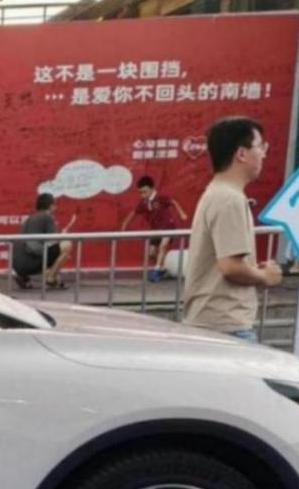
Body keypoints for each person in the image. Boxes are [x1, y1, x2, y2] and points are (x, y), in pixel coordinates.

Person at [182, 116, 283, 343]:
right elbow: (230, 266)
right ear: (241, 154)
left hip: (214, 322)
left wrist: (251, 270)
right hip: (226, 325)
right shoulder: (230, 199)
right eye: (260, 146)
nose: (264, 154)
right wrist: (265, 276)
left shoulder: (219, 193)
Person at [121, 175, 188, 283]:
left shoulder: (160, 197)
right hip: (156, 229)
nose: (143, 195)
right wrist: (125, 224)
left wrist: (182, 213)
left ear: (152, 189)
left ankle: (157, 269)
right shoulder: (144, 203)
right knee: (151, 253)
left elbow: (173, 202)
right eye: (141, 192)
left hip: (167, 226)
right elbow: (133, 213)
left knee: (163, 246)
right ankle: (162, 268)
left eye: (145, 192)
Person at [12, 194, 72, 290]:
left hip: (16, 264)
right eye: (55, 204)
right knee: (67, 245)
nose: (56, 207)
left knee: (49, 252)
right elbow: (53, 240)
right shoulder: (47, 217)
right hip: (31, 260)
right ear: (50, 206)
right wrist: (63, 235)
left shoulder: (30, 218)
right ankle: (51, 279)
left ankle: (23, 277)